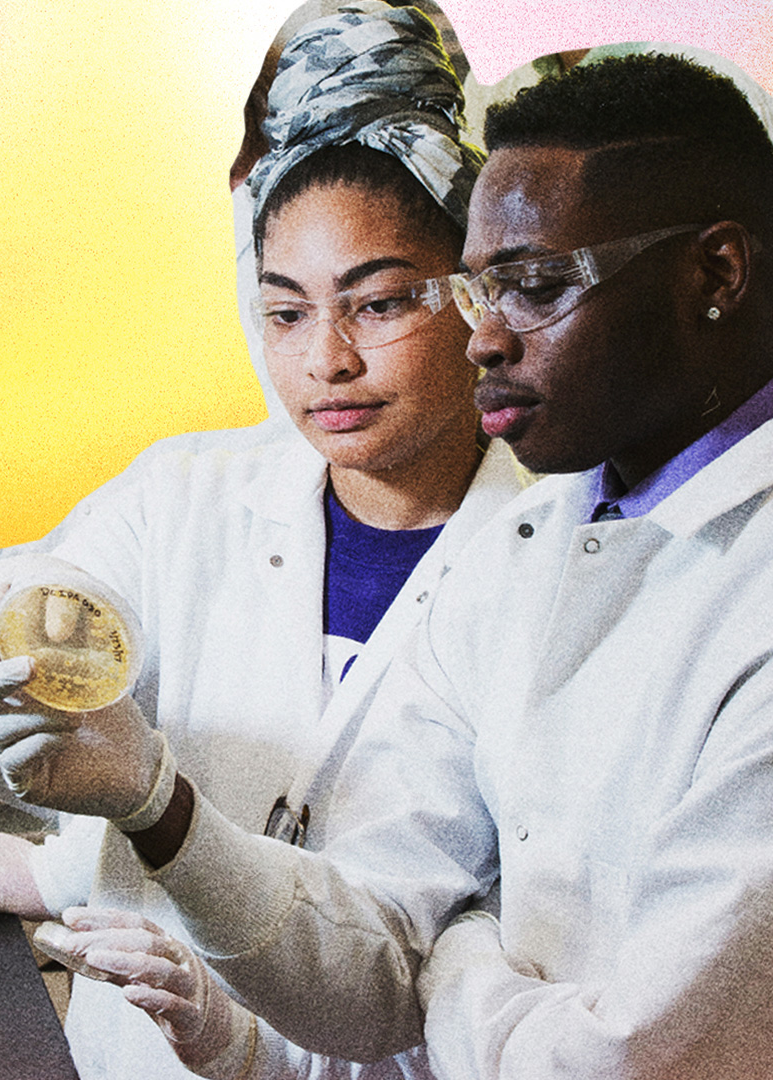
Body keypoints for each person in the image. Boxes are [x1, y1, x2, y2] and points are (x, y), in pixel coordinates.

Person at [50, 51, 773, 1079]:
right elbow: (383, 959)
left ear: (716, 273)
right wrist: (160, 807)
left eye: (532, 288)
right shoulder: (541, 544)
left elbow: (631, 1059)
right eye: (480, 291)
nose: (486, 339)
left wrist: (465, 950)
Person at [0, 5, 523, 1079]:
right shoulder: (188, 496)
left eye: (377, 306)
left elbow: (394, 980)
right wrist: (18, 629)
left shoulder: (555, 558)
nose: (326, 360)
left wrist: (147, 806)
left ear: (479, 291)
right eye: (286, 313)